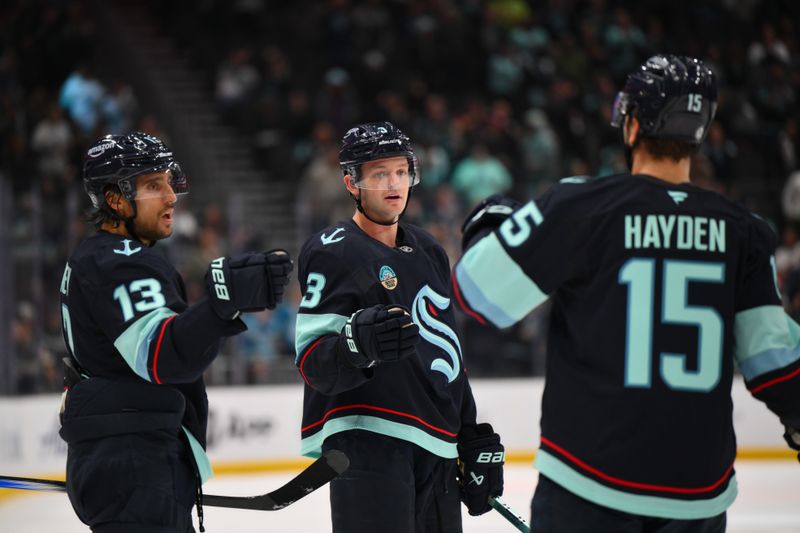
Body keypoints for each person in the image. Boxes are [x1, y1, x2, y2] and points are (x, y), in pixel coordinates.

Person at [453, 55, 800, 532]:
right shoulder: (745, 231)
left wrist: (491, 226)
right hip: (697, 495)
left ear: (632, 124)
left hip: (587, 481)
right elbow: (775, 362)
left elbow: (478, 296)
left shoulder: (579, 206)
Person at [58, 132, 292, 532]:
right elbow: (163, 357)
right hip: (134, 464)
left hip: (121, 460)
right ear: (116, 200)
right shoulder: (120, 261)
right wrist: (221, 303)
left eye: (169, 182)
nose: (171, 197)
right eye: (153, 185)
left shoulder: (98, 257)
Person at [294, 122, 504, 532]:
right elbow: (312, 362)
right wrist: (355, 345)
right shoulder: (333, 250)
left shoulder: (428, 249)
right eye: (379, 174)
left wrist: (470, 433)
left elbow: (449, 354)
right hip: (369, 439)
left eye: (401, 172)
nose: (394, 183)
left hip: (438, 445)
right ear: (351, 182)